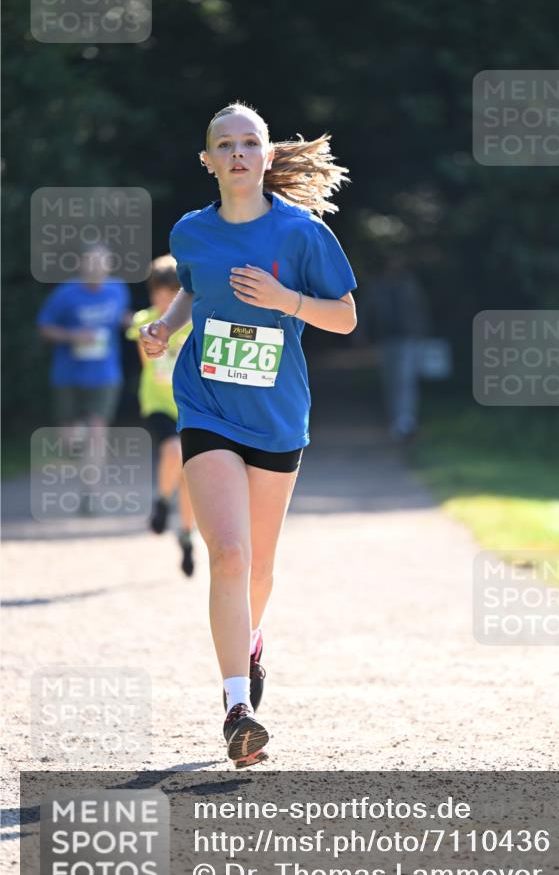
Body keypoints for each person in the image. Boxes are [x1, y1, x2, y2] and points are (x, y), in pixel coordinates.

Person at [139, 101, 357, 768]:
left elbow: (345, 319)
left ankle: (251, 642)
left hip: (276, 413)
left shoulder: (302, 234)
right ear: (207, 160)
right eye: (224, 144)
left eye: (249, 142)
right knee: (228, 554)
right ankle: (238, 707)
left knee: (259, 565)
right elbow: (194, 293)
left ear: (266, 156)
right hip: (206, 406)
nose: (237, 153)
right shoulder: (190, 232)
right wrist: (166, 326)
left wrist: (283, 300)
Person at [37, 243, 133, 514]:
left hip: (105, 375)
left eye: (101, 264)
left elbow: (120, 318)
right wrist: (72, 336)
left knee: (97, 431)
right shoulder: (66, 294)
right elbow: (44, 328)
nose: (96, 269)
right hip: (68, 374)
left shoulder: (118, 290)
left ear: (108, 267)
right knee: (71, 440)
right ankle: (77, 454)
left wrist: (130, 322)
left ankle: (91, 493)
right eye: (91, 264)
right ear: (82, 266)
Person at [126, 256, 195, 575]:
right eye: (158, 294)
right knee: (173, 452)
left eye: (171, 294)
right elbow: (148, 362)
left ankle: (186, 535)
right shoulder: (146, 320)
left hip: (190, 406)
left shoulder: (193, 320)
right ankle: (163, 501)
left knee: (192, 476)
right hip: (158, 403)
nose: (163, 301)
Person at [364, 255, 430, 443]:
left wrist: (422, 335)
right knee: (391, 381)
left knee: (405, 379)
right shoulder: (377, 286)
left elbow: (420, 310)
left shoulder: (410, 285)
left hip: (408, 338)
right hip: (386, 339)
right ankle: (396, 420)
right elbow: (368, 311)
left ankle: (406, 421)